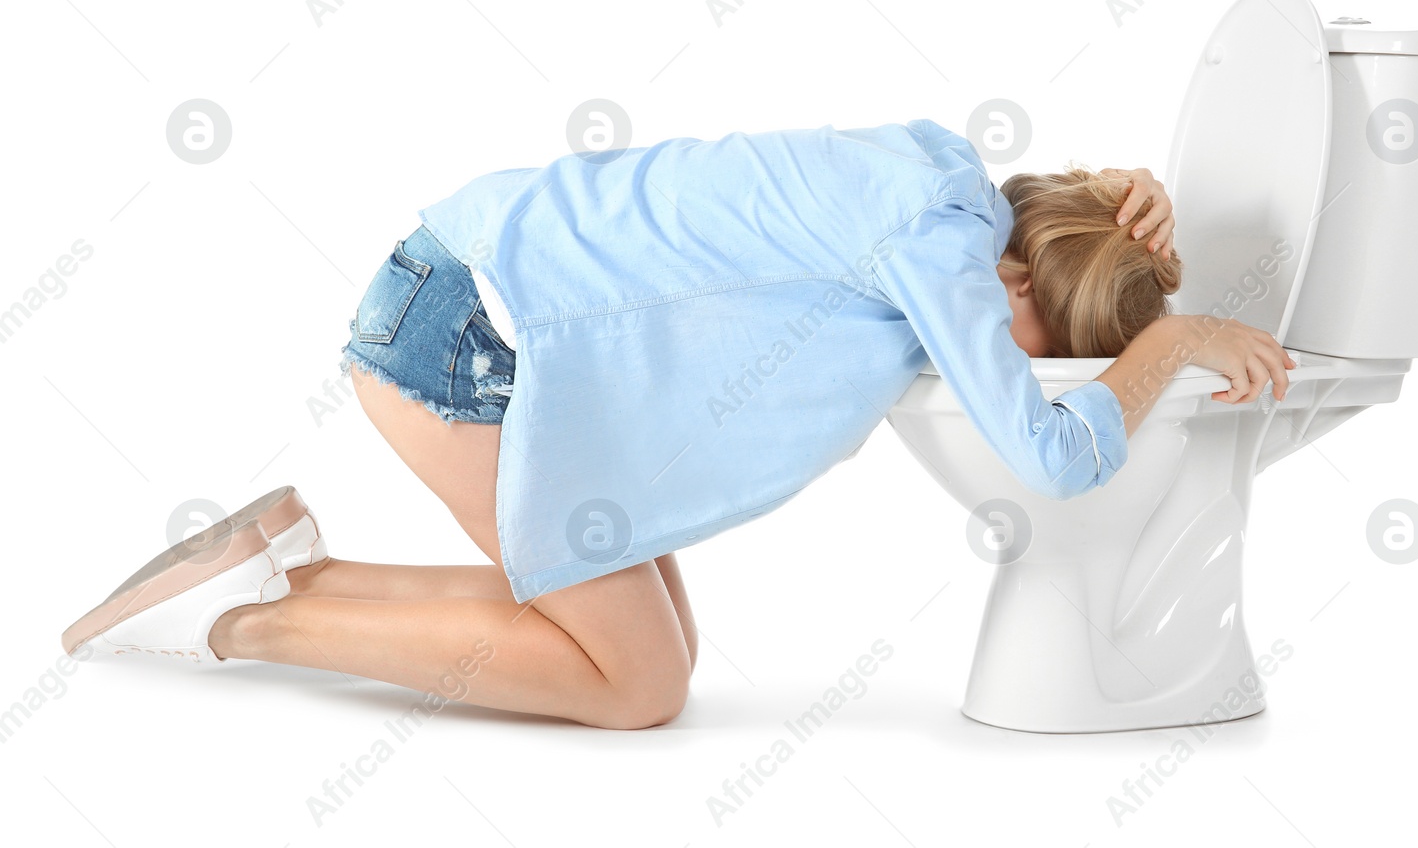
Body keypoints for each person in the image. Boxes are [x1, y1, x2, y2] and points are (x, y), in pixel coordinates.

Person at [61, 118, 1293, 729]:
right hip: (480, 336)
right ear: (1015, 287)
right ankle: (239, 618)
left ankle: (292, 559)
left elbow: (1051, 264)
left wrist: (1126, 213)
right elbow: (1055, 458)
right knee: (634, 682)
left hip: (453, 292)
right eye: (1036, 353)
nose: (1003, 373)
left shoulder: (936, 177)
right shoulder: (945, 251)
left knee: (664, 642)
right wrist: (1169, 346)